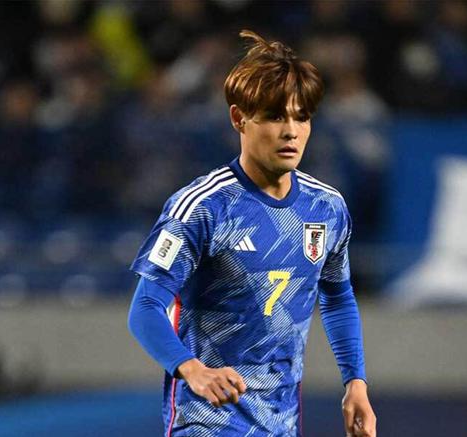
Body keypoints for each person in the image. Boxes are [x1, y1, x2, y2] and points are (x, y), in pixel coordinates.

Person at [128, 29, 376, 437]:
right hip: (208, 422)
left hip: (281, 423)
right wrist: (193, 370)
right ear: (239, 118)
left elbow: (337, 297)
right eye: (275, 116)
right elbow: (145, 307)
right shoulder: (203, 207)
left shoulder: (326, 208)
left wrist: (356, 383)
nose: (291, 131)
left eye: (301, 117)